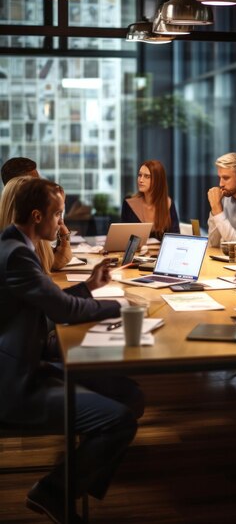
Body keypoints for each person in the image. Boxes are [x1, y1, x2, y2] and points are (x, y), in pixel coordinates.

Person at [0, 178, 144, 523]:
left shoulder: (18, 245)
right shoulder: (17, 254)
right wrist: (121, 307)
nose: (61, 223)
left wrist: (90, 286)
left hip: (28, 366)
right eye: (57, 215)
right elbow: (62, 312)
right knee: (120, 419)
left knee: (129, 394)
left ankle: (76, 475)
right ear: (37, 216)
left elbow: (53, 305)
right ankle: (53, 491)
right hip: (14, 385)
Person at [0, 157, 72, 270]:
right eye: (35, 183)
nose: (42, 187)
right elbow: (45, 267)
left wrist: (64, 237)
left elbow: (50, 263)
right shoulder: (28, 223)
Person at [121, 159, 180, 240]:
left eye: (147, 176)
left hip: (160, 252)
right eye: (139, 175)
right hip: (136, 253)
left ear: (158, 180)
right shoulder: (129, 203)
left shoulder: (168, 203)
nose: (141, 180)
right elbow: (122, 238)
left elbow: (175, 238)